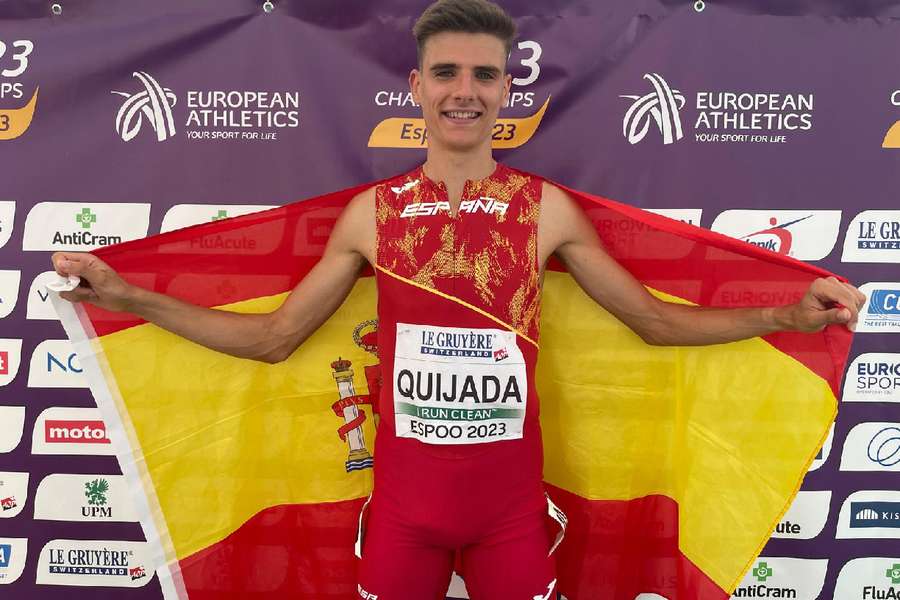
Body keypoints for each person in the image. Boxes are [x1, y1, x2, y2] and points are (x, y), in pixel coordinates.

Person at [52, 1, 865, 598]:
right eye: (446, 72)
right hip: (404, 518)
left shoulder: (546, 211)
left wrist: (783, 317)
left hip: (510, 516)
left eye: (483, 73)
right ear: (417, 85)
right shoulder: (370, 217)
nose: (464, 90)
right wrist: (129, 295)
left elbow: (652, 323)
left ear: (508, 88)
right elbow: (272, 339)